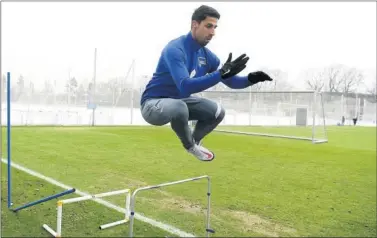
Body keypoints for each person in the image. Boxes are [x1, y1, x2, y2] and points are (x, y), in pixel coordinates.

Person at [140, 5, 273, 162]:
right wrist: (220, 73)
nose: (212, 32)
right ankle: (190, 145)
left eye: (215, 27)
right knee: (179, 107)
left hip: (179, 103)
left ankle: (195, 143)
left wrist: (250, 79)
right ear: (194, 24)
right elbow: (185, 86)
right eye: (208, 26)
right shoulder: (175, 49)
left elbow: (229, 81)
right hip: (152, 105)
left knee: (218, 111)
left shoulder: (207, 56)